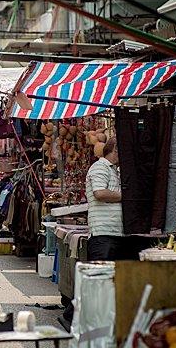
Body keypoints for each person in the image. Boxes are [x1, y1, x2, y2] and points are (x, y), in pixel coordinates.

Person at [59, 137, 124, 332]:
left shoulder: (115, 171)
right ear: (115, 150)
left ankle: (88, 320)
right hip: (103, 232)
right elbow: (99, 193)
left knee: (102, 281)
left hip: (114, 232)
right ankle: (70, 316)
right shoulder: (100, 168)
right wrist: (126, 196)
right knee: (96, 280)